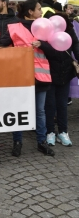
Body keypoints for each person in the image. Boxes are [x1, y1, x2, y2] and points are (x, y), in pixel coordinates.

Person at [0, 0, 55, 157]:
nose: (41, 11)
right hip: (20, 76)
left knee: (40, 111)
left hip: (41, 76)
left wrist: (42, 44)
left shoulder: (45, 27)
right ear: (30, 12)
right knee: (19, 110)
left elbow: (55, 52)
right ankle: (17, 142)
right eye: (38, 9)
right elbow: (0, 46)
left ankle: (41, 142)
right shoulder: (14, 27)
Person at [44, 12, 79, 147]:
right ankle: (50, 132)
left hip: (65, 74)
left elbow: (76, 46)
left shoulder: (70, 33)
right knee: (50, 105)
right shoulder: (47, 33)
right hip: (50, 74)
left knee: (62, 105)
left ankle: (63, 132)